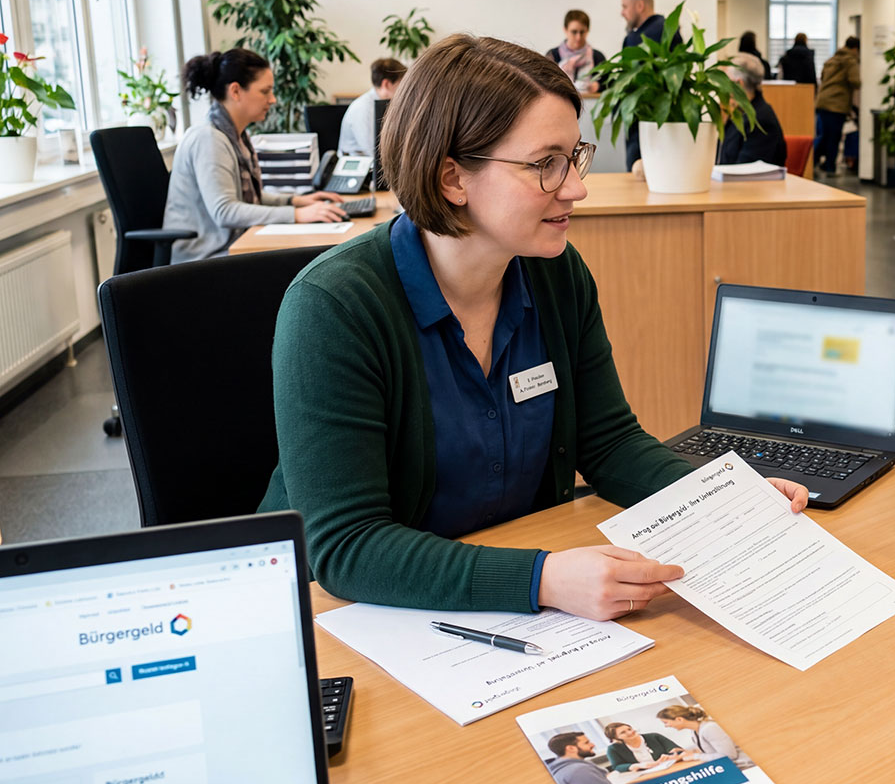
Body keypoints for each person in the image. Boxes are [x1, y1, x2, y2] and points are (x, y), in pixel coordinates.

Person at [256, 35, 807, 618]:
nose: (576, 186)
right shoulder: (335, 306)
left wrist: (720, 496)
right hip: (354, 615)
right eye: (545, 164)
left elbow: (610, 443)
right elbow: (346, 547)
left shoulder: (556, 274)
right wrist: (542, 580)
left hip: (503, 589)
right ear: (453, 180)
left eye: (574, 156)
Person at [164, 48, 345, 262]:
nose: (273, 99)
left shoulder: (235, 135)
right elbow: (225, 211)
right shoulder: (209, 139)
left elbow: (243, 196)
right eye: (265, 91)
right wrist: (295, 215)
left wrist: (296, 201)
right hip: (204, 260)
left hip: (231, 247)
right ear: (236, 91)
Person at [619, 0, 684, 169]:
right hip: (670, 121)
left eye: (625, 6)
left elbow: (628, 79)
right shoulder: (669, 29)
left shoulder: (637, 38)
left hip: (643, 121)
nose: (622, 13)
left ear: (639, 5)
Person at [716, 53, 785, 167]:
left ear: (739, 84)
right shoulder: (739, 113)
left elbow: (744, 172)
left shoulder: (760, 121)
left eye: (725, 81)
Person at [812, 36, 860, 175]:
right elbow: (855, 81)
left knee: (825, 135)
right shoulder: (850, 61)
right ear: (855, 49)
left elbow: (822, 77)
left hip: (823, 101)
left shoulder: (832, 59)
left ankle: (815, 162)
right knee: (833, 136)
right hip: (836, 103)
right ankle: (828, 166)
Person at [339, 58, 407, 153]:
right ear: (386, 84)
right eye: (401, 84)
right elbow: (373, 151)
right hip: (362, 163)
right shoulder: (363, 108)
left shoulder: (385, 104)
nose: (404, 89)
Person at [656, 705, 752, 769]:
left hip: (743, 766)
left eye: (666, 722)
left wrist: (695, 756)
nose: (666, 726)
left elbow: (729, 756)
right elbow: (708, 748)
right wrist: (686, 752)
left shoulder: (710, 728)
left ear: (679, 719)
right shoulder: (695, 731)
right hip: (727, 766)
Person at [546, 9, 607, 93]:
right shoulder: (552, 55)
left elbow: (608, 83)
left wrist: (598, 86)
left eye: (582, 32)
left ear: (588, 31)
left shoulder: (598, 57)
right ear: (565, 30)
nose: (578, 37)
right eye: (574, 32)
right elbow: (544, 83)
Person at [545, 733, 613, 784]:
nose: (593, 745)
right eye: (586, 743)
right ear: (571, 748)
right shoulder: (579, 770)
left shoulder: (563, 769)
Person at [603, 722, 682, 772]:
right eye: (623, 732)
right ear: (616, 738)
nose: (630, 732)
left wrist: (672, 755)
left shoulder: (654, 736)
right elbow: (617, 766)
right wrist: (637, 766)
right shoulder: (613, 749)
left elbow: (678, 750)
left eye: (629, 729)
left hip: (670, 769)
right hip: (645, 775)